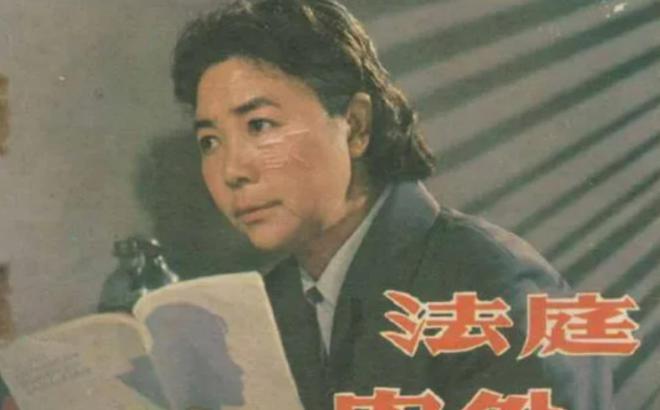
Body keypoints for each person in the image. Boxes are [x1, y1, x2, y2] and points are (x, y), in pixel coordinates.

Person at [171, 1, 614, 409]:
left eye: (260, 125)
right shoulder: (265, 307)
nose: (232, 169)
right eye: (209, 141)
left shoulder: (494, 284)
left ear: (355, 126)